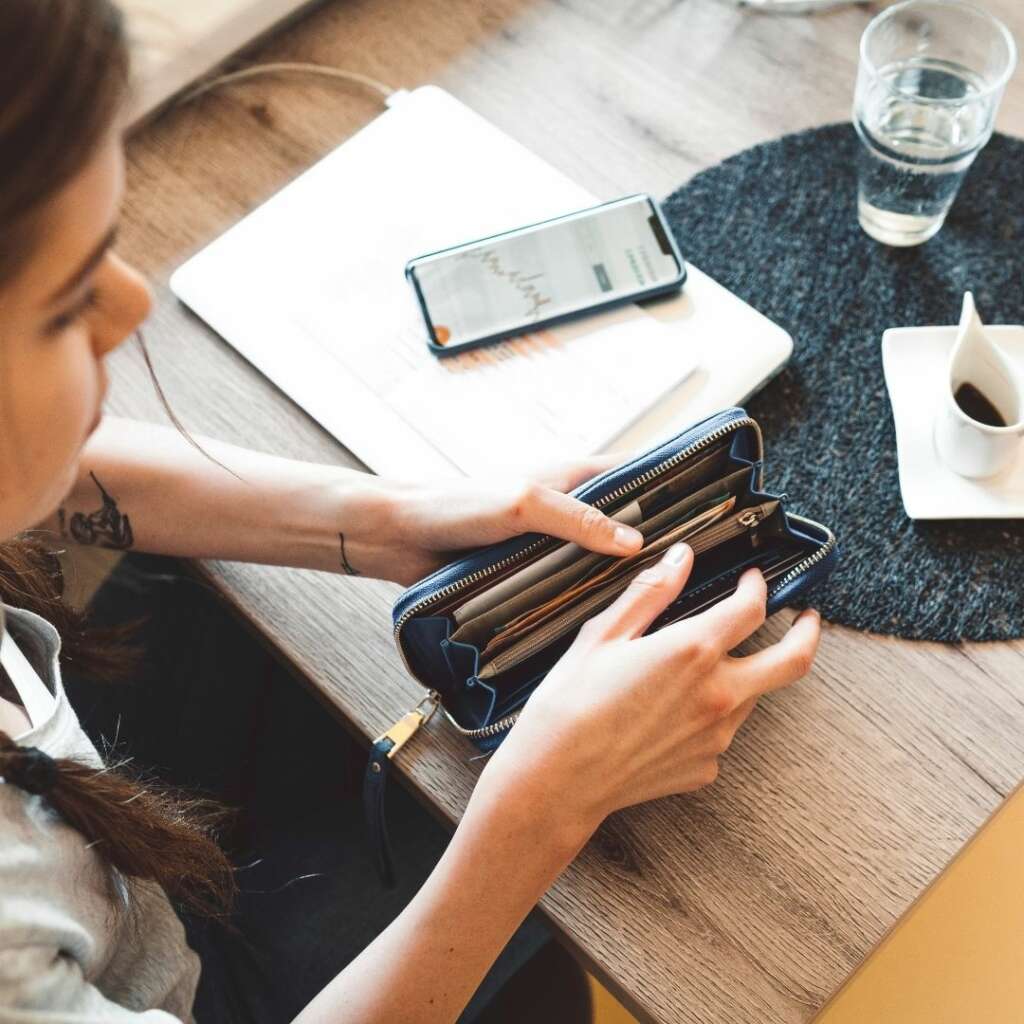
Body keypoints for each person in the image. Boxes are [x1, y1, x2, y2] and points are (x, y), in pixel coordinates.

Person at [0, 2, 822, 1021]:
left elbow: (66, 475)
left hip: (111, 840)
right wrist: (540, 814)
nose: (135, 307)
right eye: (67, 296)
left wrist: (389, 522)